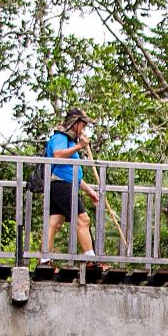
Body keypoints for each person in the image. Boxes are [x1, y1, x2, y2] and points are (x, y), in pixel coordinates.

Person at [43, 108, 101, 261]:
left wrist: (90, 191)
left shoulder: (69, 141)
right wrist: (79, 146)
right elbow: (57, 154)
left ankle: (45, 259)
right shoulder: (60, 137)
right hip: (61, 185)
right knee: (83, 220)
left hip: (64, 183)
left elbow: (73, 174)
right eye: (83, 125)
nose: (84, 129)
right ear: (75, 124)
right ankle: (90, 260)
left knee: (54, 223)